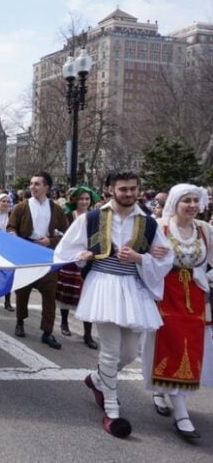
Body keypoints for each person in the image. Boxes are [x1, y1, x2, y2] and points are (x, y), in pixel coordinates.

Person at [54, 171, 173, 438]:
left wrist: (140, 258)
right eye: (123, 189)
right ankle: (111, 410)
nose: (129, 193)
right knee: (109, 350)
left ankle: (97, 379)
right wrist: (81, 255)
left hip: (134, 289)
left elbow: (166, 259)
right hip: (104, 285)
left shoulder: (149, 223)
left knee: (129, 354)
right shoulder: (92, 218)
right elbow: (64, 251)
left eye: (133, 188)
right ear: (110, 190)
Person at [142, 184, 213, 441]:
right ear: (175, 202)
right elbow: (140, 257)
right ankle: (181, 413)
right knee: (169, 346)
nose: (193, 205)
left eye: (196, 200)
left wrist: (206, 277)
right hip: (165, 295)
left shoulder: (205, 230)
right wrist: (149, 255)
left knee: (190, 349)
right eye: (187, 201)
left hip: (194, 298)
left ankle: (166, 394)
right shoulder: (159, 227)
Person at [7, 172, 68, 349]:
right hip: (26, 254)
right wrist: (15, 237)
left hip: (47, 255)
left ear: (47, 188)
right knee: (23, 291)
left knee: (49, 295)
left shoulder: (56, 209)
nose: (33, 187)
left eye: (37, 184)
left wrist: (51, 241)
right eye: (31, 184)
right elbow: (11, 227)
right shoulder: (21, 207)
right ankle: (20, 320)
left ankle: (47, 332)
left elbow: (65, 234)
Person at [55, 186, 100, 349]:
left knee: (86, 294)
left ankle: (87, 334)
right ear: (75, 200)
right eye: (81, 199)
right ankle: (64, 323)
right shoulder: (68, 215)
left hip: (88, 260)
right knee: (67, 292)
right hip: (70, 260)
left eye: (87, 199)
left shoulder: (95, 217)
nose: (84, 202)